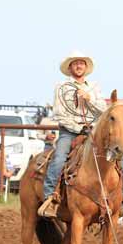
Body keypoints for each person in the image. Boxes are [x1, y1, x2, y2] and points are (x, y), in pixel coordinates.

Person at [38, 50, 107, 218]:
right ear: (70, 68)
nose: (79, 66)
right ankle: (49, 197)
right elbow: (59, 112)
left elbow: (103, 109)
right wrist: (77, 127)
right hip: (69, 132)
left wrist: (89, 98)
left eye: (81, 63)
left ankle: (122, 200)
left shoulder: (94, 88)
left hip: (91, 131)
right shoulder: (61, 88)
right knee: (60, 157)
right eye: (75, 63)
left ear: (85, 67)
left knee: (112, 157)